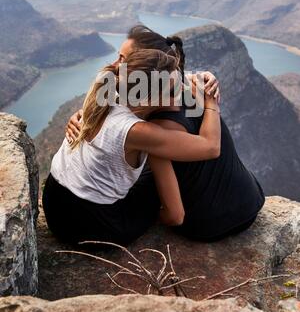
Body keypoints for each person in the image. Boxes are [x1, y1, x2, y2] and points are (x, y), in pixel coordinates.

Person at [66, 25, 265, 243]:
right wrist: (83, 115)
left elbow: (175, 214)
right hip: (250, 201)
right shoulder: (192, 90)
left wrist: (152, 217)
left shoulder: (157, 130)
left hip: (207, 223)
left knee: (140, 184)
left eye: (124, 60)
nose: (117, 67)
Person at [43, 47, 221, 245]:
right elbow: (211, 147)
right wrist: (211, 103)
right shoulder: (136, 131)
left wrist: (203, 77)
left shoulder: (111, 87)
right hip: (89, 226)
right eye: (173, 90)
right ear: (148, 99)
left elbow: (155, 80)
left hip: (54, 201)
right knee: (160, 172)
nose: (181, 89)